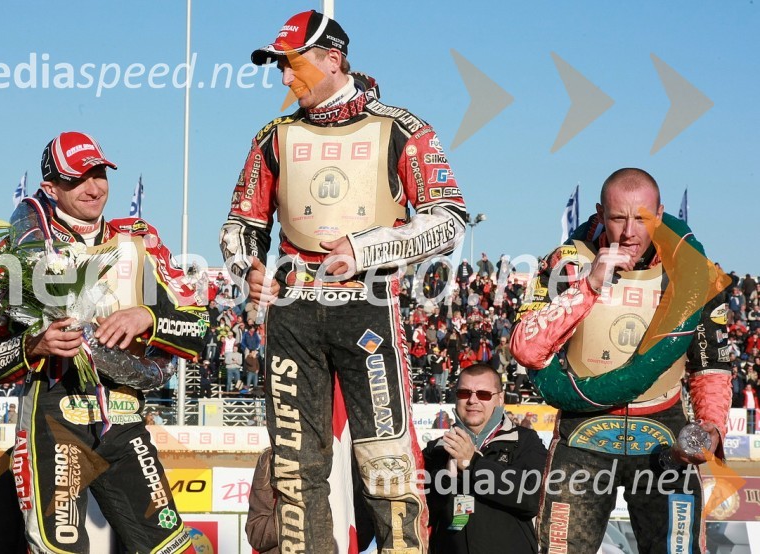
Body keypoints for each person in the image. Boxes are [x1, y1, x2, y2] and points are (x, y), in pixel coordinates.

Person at [220, 9, 466, 552]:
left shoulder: (403, 128)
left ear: (333, 59)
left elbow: (450, 219)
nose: (285, 79)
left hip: (368, 304)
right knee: (294, 462)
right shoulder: (274, 135)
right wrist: (249, 270)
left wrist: (365, 247)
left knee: (386, 458)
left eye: (292, 64)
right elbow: (240, 225)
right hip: (292, 312)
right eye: (279, 68)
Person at [0, 131, 207, 553]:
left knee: (173, 547)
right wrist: (32, 346)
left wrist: (148, 316)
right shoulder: (16, 250)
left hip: (124, 415)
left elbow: (199, 325)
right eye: (78, 178)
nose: (94, 187)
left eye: (99, 174)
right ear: (50, 188)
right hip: (54, 416)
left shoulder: (140, 239)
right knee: (59, 548)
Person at [510, 168, 732, 553]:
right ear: (599, 214)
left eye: (642, 218)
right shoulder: (567, 262)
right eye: (617, 218)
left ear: (660, 215)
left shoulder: (697, 274)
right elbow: (526, 348)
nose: (629, 232)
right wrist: (590, 285)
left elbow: (710, 365)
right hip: (584, 430)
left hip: (664, 431)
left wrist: (711, 427)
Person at [423, 364, 547, 554]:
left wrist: (473, 464)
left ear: (500, 398)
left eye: (483, 394)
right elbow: (421, 513)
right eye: (464, 393)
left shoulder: (525, 441)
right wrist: (446, 479)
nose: (472, 400)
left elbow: (533, 499)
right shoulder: (437, 449)